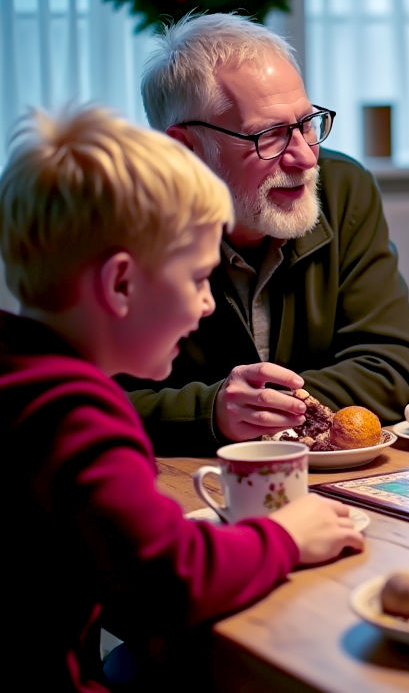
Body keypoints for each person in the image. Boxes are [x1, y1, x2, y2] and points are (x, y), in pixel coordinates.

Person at [0, 106, 365, 692]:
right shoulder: (76, 415)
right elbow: (171, 580)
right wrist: (287, 537)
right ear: (120, 284)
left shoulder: (20, 372)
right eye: (197, 278)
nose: (206, 303)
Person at [120, 13, 409, 453]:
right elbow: (70, 405)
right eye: (269, 135)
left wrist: (265, 407)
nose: (305, 158)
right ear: (185, 149)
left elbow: (395, 370)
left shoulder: (343, 189)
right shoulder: (119, 222)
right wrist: (212, 411)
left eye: (305, 124)